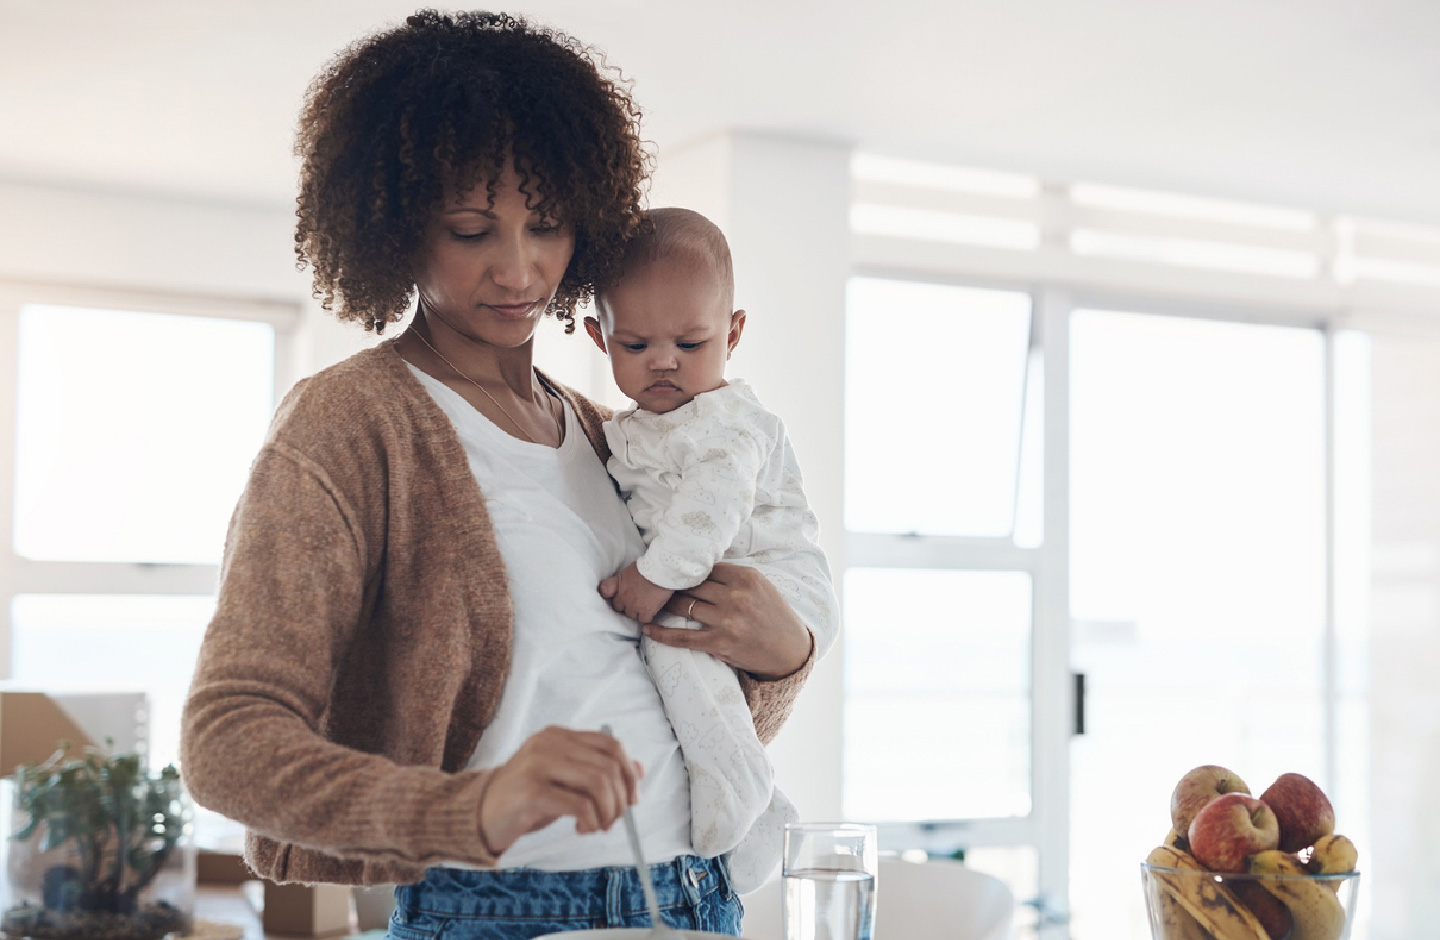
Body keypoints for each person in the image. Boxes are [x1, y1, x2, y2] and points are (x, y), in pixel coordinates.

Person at [179, 11, 831, 940]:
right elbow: (226, 743)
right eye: (472, 229)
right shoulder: (353, 425)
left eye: (549, 225)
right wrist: (472, 809)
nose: (518, 268)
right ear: (398, 225)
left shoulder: (619, 435)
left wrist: (782, 655)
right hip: (494, 913)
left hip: (696, 897)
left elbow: (686, 701)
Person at [582, 208, 837, 893]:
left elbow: (712, 507)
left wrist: (650, 576)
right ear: (597, 337)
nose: (663, 361)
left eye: (690, 344)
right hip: (723, 581)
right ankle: (764, 811)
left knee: (671, 644)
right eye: (635, 345)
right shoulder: (634, 427)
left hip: (778, 578)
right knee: (670, 658)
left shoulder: (728, 422)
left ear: (733, 333)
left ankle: (742, 789)